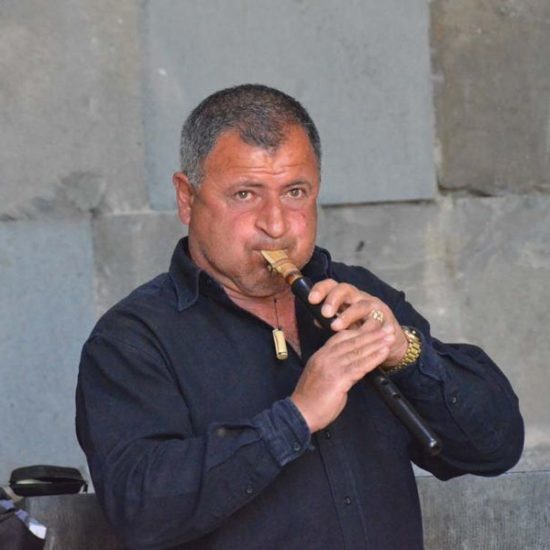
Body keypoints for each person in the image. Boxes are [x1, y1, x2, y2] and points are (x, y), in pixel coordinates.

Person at [76, 84, 523, 550]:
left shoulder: (360, 296)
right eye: (246, 194)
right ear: (187, 198)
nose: (276, 224)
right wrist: (296, 416)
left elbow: (495, 447)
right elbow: (139, 508)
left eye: (295, 192)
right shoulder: (132, 339)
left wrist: (405, 353)